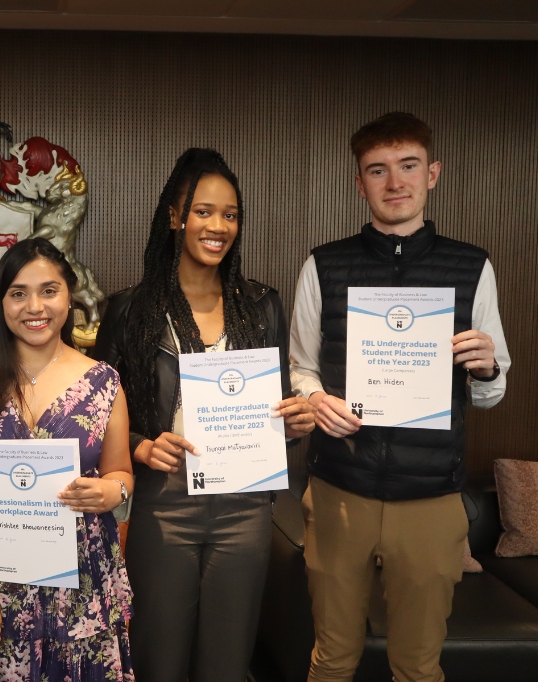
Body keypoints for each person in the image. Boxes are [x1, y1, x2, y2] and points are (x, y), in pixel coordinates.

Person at [289, 112, 511, 682]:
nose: (395, 183)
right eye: (378, 170)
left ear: (432, 173)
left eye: (408, 166)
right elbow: (302, 370)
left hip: (432, 501)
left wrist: (486, 368)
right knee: (332, 659)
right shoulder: (324, 264)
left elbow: (491, 391)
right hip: (341, 491)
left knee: (417, 666)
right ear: (359, 182)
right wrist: (315, 403)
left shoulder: (471, 266)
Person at [92, 147, 317, 682]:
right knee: (159, 657)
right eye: (204, 211)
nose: (218, 226)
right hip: (164, 506)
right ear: (175, 216)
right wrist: (143, 447)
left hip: (244, 510)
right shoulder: (130, 310)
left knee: (226, 661)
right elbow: (96, 415)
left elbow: (275, 413)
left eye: (230, 214)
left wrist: (293, 422)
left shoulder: (262, 305)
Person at [0, 238, 135, 681]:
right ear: (1, 301)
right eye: (18, 293)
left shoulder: (104, 382)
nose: (34, 306)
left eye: (48, 290)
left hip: (82, 592)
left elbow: (122, 473)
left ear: (69, 295)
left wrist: (110, 490)